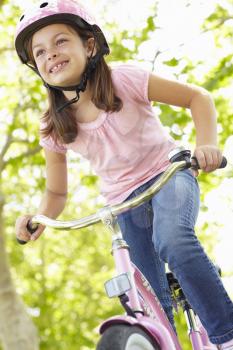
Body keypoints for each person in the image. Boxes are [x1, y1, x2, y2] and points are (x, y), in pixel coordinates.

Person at [14, 1, 233, 348]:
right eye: (39, 52)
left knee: (173, 239)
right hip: (122, 203)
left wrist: (207, 145)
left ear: (89, 45)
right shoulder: (53, 127)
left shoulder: (123, 79)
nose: (50, 54)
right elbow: (56, 193)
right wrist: (41, 217)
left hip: (167, 174)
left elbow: (198, 98)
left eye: (60, 42)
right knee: (146, 294)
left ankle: (227, 334)